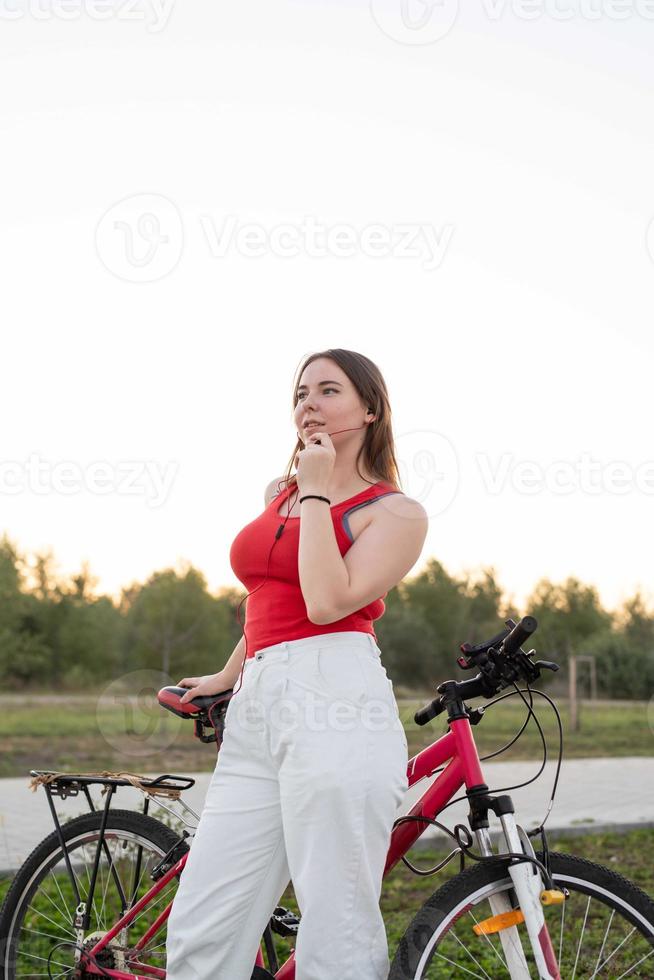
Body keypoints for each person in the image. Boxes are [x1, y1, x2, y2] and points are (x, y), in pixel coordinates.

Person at [165, 348, 429, 980]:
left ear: (369, 410)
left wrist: (314, 491)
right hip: (261, 699)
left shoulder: (395, 513)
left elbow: (326, 599)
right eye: (300, 393)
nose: (308, 402)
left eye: (328, 391)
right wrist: (230, 675)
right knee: (205, 924)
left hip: (336, 697)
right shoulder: (280, 494)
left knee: (335, 929)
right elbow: (268, 598)